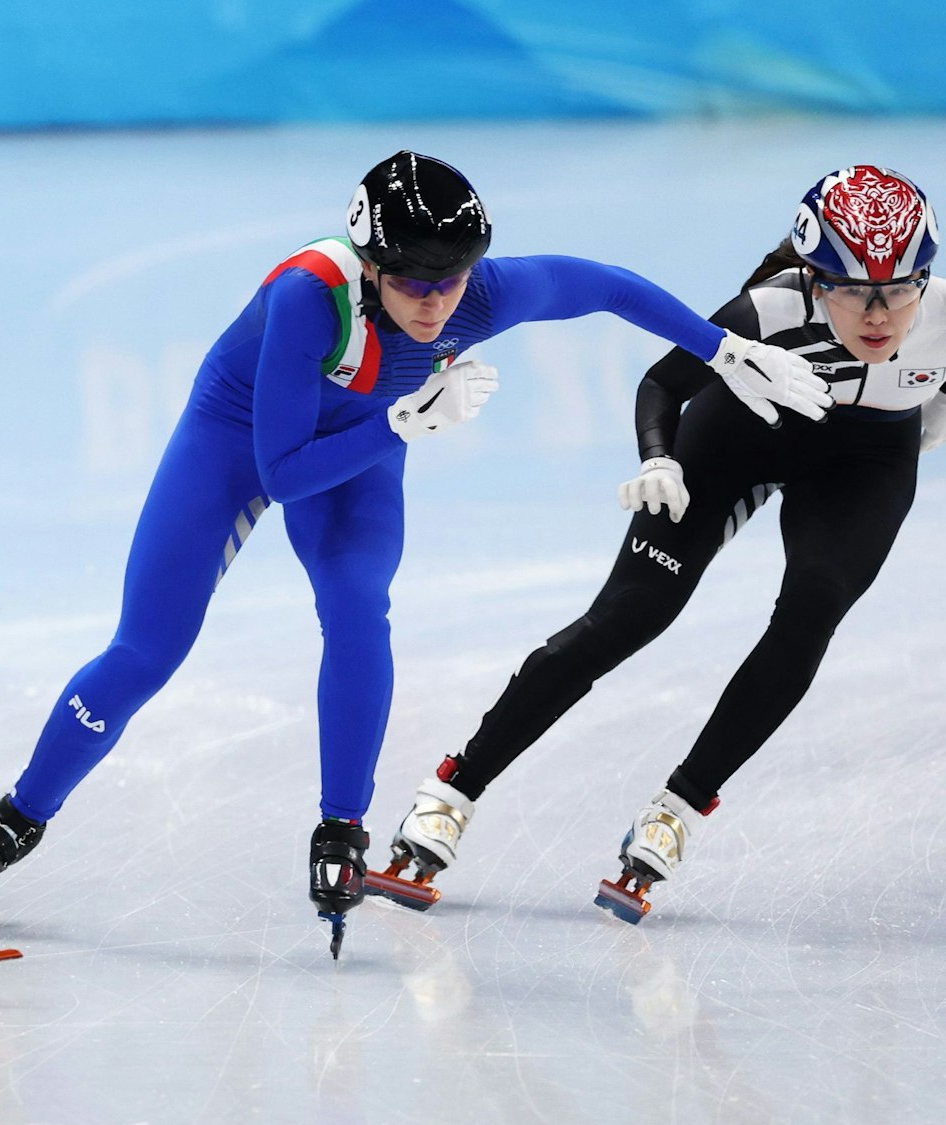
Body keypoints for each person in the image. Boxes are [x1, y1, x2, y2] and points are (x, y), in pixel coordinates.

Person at [0, 150, 830, 952]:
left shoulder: (480, 293)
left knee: (360, 608)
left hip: (362, 441)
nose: (438, 302)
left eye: (453, 280)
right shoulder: (306, 295)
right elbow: (281, 474)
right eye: (413, 283)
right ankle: (20, 813)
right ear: (370, 267)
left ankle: (341, 825)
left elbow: (601, 283)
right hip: (239, 438)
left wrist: (723, 348)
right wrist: (403, 420)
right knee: (148, 648)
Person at [378, 165, 941, 918]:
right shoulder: (767, 311)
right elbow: (662, 382)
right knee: (627, 618)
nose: (879, 314)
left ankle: (676, 809)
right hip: (742, 434)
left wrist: (907, 448)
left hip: (864, 461)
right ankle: (451, 790)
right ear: (812, 278)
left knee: (815, 604)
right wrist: (658, 459)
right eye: (851, 289)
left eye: (900, 290)